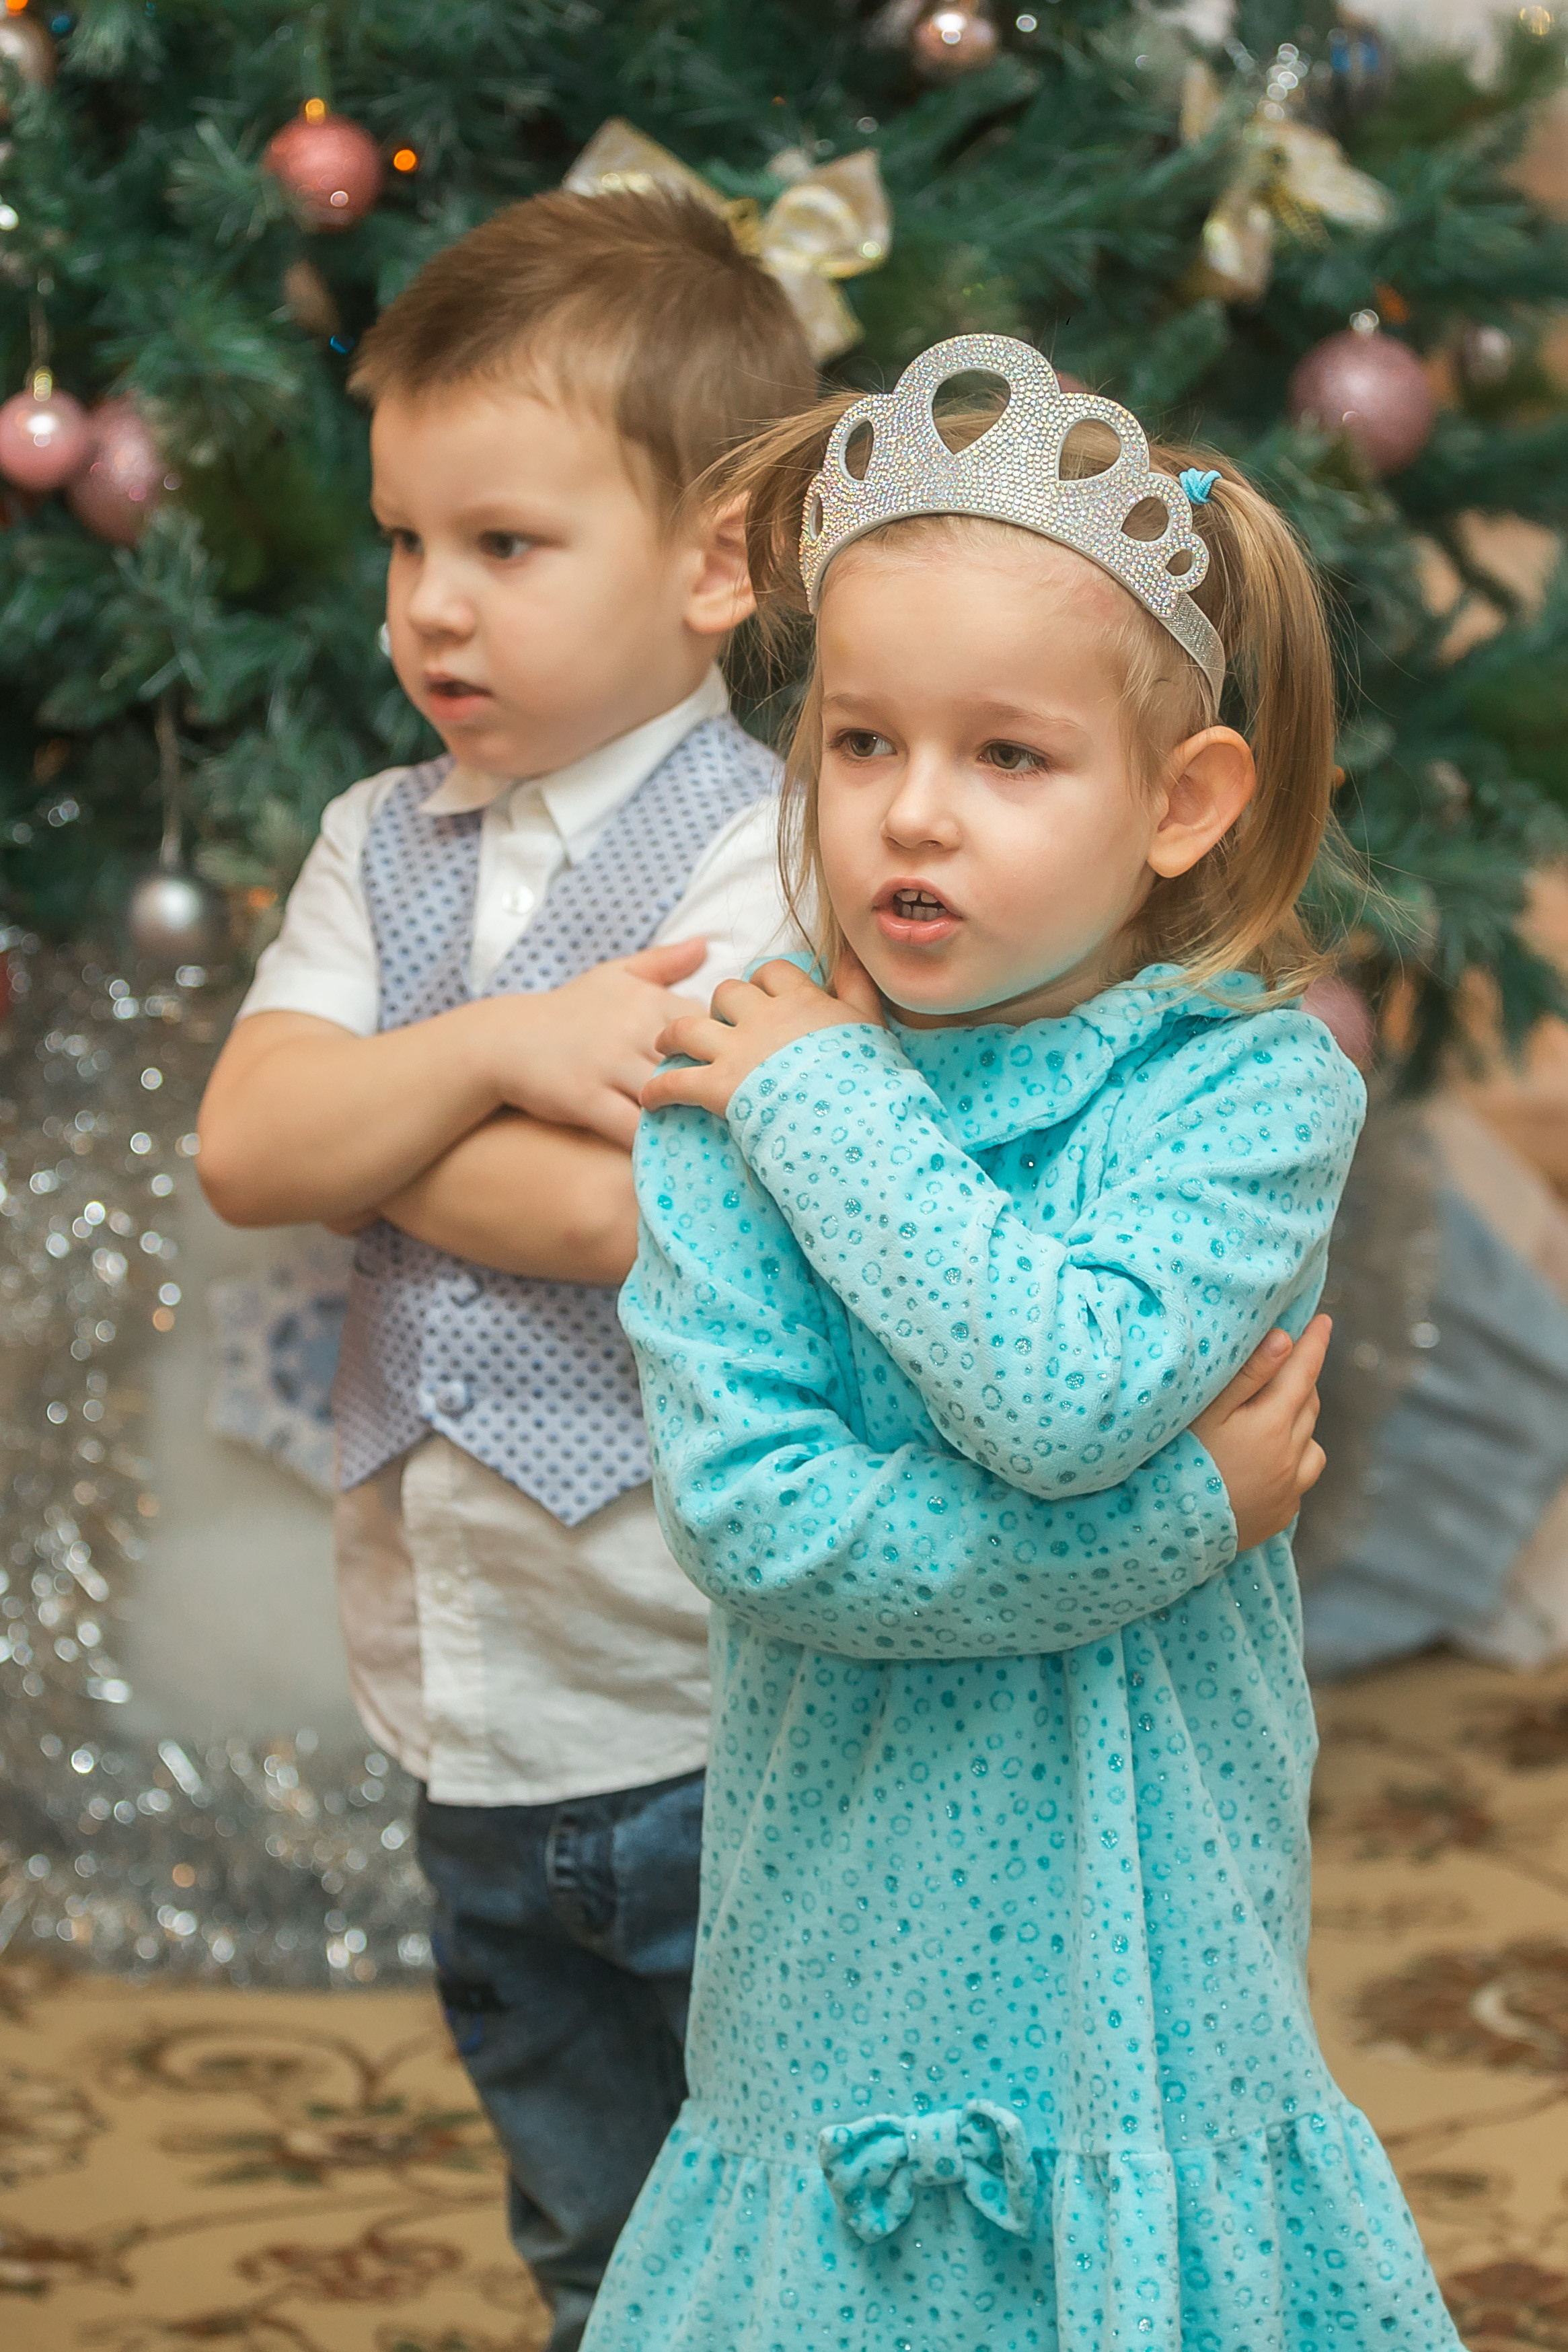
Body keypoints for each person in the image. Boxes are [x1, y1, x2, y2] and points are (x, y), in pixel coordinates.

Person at [583, 338, 1460, 2349]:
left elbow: (1062, 1394)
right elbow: (764, 1532)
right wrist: (1183, 1524)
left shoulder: (1240, 1099)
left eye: (1006, 756)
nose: (912, 816)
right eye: (861, 742)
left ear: (1182, 802)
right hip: (839, 1954)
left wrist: (831, 1111)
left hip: (1153, 1967)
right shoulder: (739, 1089)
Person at [195, 188, 821, 2351]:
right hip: (473, 1705)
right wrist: (493, 1055)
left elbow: (657, 1222)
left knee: (795, 2212)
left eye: (505, 547)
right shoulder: (385, 843)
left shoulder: (779, 847)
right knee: (584, 2231)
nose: (428, 612)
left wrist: (390, 1121)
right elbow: (249, 1146)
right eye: (400, 545)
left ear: (718, 560)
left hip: (717, 1698)